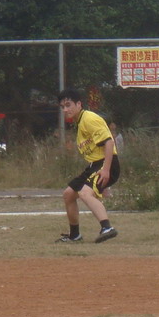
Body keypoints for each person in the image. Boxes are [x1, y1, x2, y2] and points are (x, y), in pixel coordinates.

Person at [56, 87, 120, 243]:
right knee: (69, 194)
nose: (65, 110)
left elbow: (109, 142)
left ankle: (107, 227)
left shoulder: (89, 118)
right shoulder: (80, 122)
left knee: (85, 193)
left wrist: (106, 170)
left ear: (79, 104)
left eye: (69, 105)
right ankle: (75, 236)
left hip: (105, 163)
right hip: (94, 166)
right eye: (62, 107)